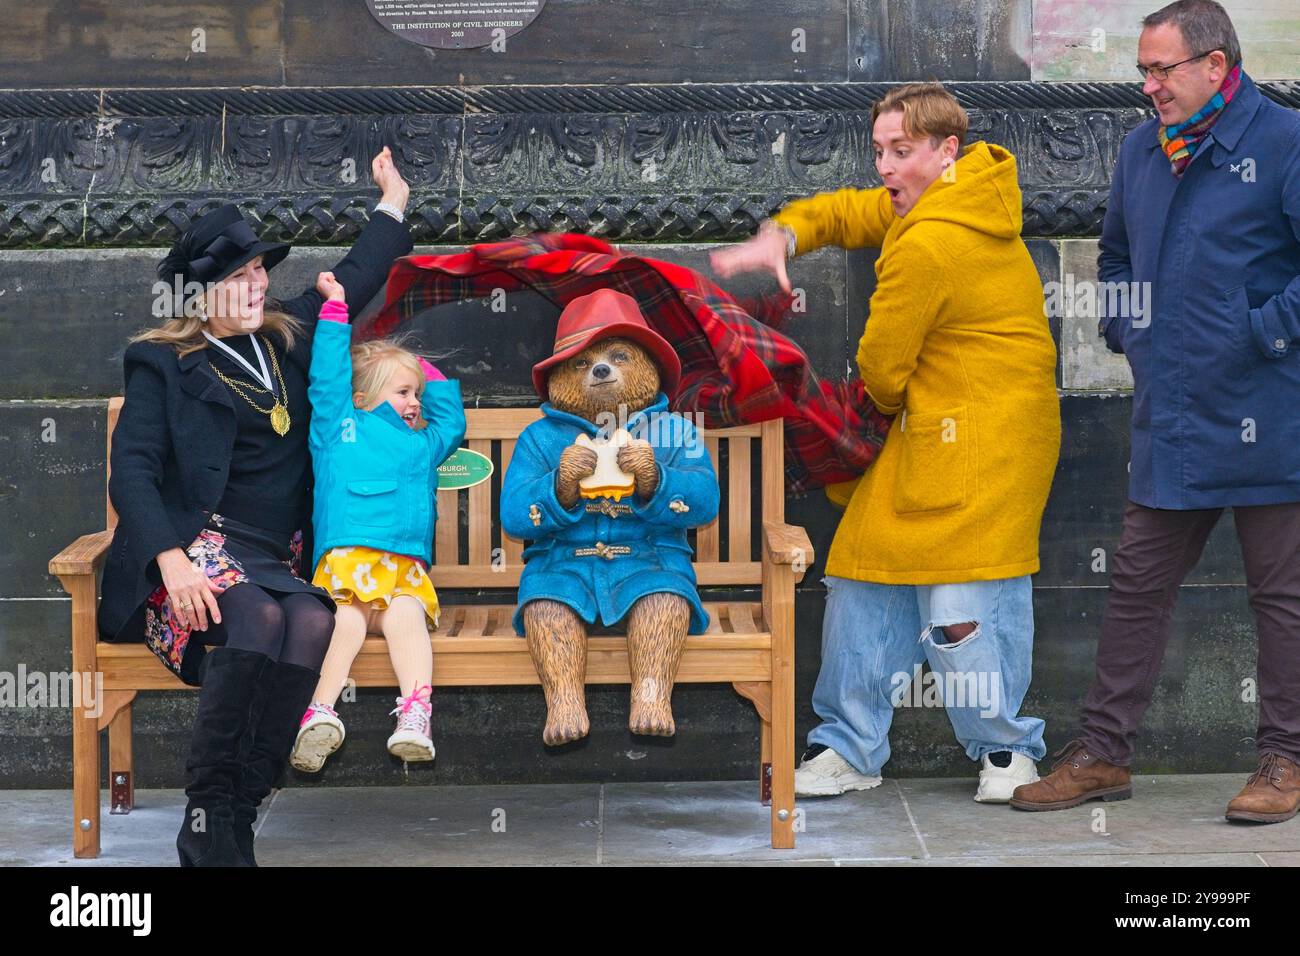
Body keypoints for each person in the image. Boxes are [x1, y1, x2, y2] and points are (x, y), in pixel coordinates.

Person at [712, 82, 1060, 802]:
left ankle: (1005, 752)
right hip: (933, 433)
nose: (885, 167)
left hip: (985, 446)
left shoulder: (932, 241)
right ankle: (848, 749)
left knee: (963, 606)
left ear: (945, 151)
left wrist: (846, 410)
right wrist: (785, 233)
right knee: (863, 584)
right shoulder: (948, 197)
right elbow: (850, 210)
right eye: (879, 150)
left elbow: (882, 368)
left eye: (901, 151)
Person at [1012, 0, 1300, 823]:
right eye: (1142, 70)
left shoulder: (1284, 142)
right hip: (1171, 414)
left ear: (1216, 65)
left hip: (1270, 411)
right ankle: (1102, 755)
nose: (1149, 87)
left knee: (1282, 597)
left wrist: (1260, 336)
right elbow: (1116, 257)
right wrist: (1130, 331)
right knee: (1137, 585)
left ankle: (1285, 763)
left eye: (1161, 69)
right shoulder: (1143, 151)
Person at [98, 148, 415, 865]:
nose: (256, 283)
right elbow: (134, 471)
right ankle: (207, 816)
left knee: (309, 617)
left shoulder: (290, 337)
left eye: (259, 271)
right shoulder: (163, 364)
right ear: (199, 295)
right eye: (238, 276)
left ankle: (239, 810)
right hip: (196, 551)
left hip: (271, 556)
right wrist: (170, 560)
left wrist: (392, 199)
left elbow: (358, 278)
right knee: (263, 616)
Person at [289, 271, 466, 773]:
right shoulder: (339, 426)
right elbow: (326, 379)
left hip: (404, 570)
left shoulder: (423, 443)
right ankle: (319, 711)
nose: (415, 404)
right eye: (403, 393)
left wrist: (422, 371)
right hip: (348, 563)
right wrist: (335, 312)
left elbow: (451, 424)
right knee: (343, 620)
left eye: (416, 395)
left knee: (408, 619)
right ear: (364, 395)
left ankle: (415, 714)